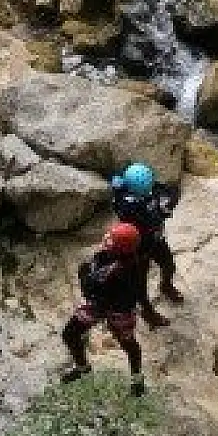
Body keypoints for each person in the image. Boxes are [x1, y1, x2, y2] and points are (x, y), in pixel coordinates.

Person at [60, 222, 170, 395]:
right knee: (127, 343)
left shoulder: (117, 270)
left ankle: (86, 368)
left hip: (110, 307)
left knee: (72, 334)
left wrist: (86, 273)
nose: (106, 240)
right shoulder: (127, 261)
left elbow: (91, 285)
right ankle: (134, 379)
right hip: (114, 307)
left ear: (118, 250)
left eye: (111, 240)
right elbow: (139, 291)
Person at [110, 163, 182, 303]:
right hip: (137, 246)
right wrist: (164, 210)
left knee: (169, 265)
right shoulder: (126, 205)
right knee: (140, 281)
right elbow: (151, 219)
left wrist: (168, 199)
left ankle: (166, 286)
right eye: (147, 188)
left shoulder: (131, 186)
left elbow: (168, 190)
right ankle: (147, 310)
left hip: (155, 239)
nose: (151, 189)